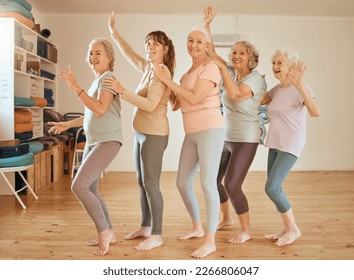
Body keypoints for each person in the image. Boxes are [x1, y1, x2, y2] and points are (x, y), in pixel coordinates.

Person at [102, 12, 176, 251]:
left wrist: (122, 91)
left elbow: (150, 104)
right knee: (141, 182)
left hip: (155, 134)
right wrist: (113, 32)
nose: (149, 47)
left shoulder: (161, 73)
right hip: (141, 133)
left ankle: (157, 234)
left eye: (154, 44)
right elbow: (129, 54)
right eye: (147, 44)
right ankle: (145, 226)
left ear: (164, 49)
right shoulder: (148, 67)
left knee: (151, 183)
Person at [153, 26, 224, 258]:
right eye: (190, 40)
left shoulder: (211, 68)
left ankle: (210, 240)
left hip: (210, 130)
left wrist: (169, 82)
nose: (193, 44)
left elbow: (194, 97)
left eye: (199, 41)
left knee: (207, 185)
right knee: (183, 182)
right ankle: (197, 226)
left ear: (207, 46)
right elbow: (178, 103)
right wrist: (163, 81)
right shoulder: (186, 74)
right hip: (191, 133)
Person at [48, 38, 123, 256]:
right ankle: (109, 230)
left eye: (98, 53)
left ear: (109, 58)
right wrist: (67, 124)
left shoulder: (108, 79)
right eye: (90, 53)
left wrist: (74, 86)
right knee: (90, 188)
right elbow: (90, 114)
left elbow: (100, 109)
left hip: (108, 140)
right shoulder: (97, 81)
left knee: (78, 186)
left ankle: (103, 233)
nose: (93, 57)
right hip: (94, 139)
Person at [203, 6, 267, 244]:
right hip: (226, 136)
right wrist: (207, 27)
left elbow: (237, 94)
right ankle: (226, 218)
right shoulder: (231, 71)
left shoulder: (255, 79)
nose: (235, 56)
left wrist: (223, 69)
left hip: (246, 139)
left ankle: (246, 230)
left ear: (251, 59)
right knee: (213, 180)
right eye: (233, 53)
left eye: (241, 53)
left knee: (232, 184)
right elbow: (212, 56)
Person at [261, 47, 320, 246]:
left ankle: (293, 228)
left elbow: (315, 111)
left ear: (292, 67)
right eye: (274, 63)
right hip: (275, 142)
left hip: (291, 143)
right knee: (274, 187)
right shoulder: (278, 89)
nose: (275, 67)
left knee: (272, 188)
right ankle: (286, 228)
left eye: (280, 63)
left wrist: (300, 84)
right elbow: (258, 100)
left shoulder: (302, 87)